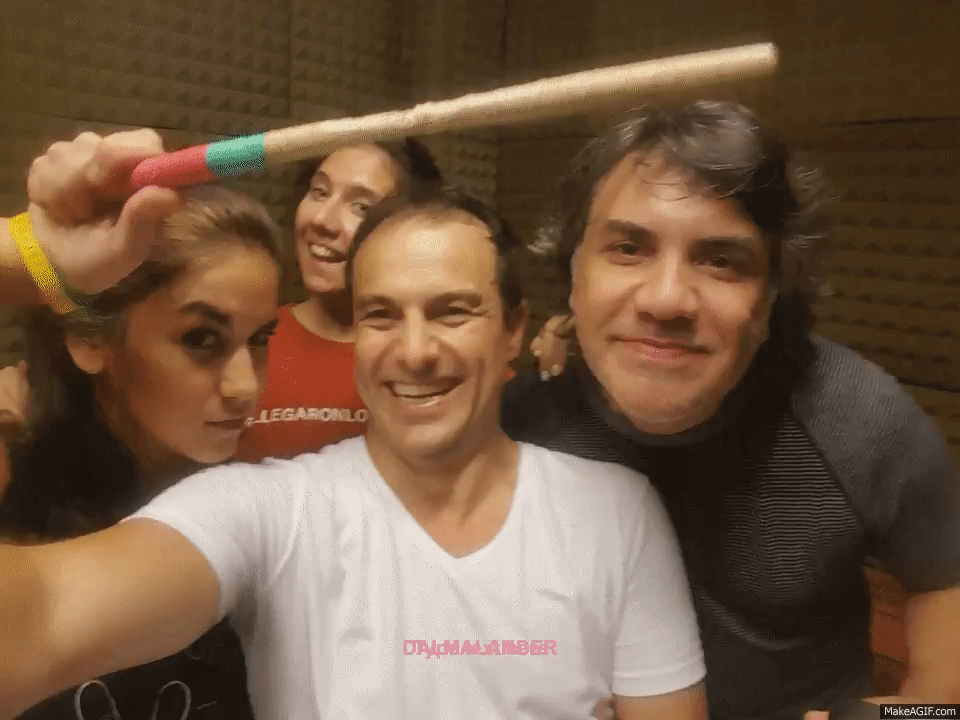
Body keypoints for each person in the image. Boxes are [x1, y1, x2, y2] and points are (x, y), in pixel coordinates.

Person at [0, 177, 707, 719]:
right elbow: (38, 624)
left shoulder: (615, 512)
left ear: (513, 329)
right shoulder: (269, 511)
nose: (416, 350)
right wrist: (23, 256)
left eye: (452, 311)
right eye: (381, 315)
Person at [500, 101, 960, 719]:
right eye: (628, 248)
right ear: (573, 277)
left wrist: (904, 717)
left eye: (721, 260)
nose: (667, 300)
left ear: (771, 296)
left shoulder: (862, 423)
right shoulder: (515, 425)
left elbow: (944, 684)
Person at [0, 131, 284, 719]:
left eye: (259, 339)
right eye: (202, 339)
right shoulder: (13, 501)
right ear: (89, 339)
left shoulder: (265, 510)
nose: (245, 386)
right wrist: (26, 252)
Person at [234, 139, 444, 462]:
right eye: (319, 192)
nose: (322, 220)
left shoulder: (438, 356)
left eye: (361, 207)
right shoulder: (245, 342)